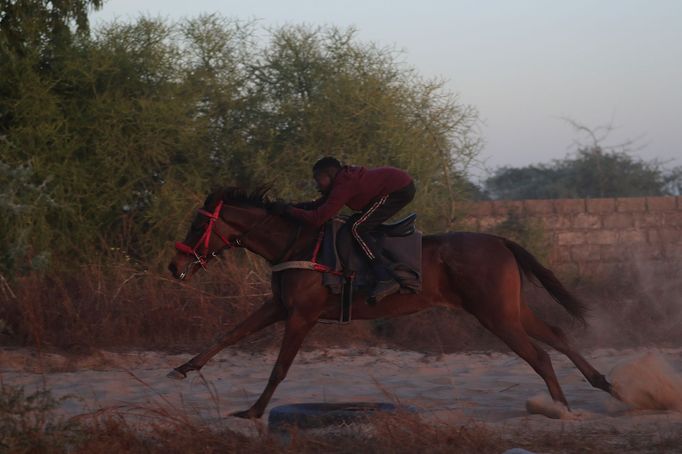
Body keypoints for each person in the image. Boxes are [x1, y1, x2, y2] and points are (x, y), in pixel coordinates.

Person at [273, 157, 416, 303]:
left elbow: (318, 218)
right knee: (356, 224)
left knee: (357, 228)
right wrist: (291, 207)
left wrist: (288, 210)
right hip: (397, 184)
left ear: (329, 173)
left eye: (318, 180)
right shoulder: (341, 180)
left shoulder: (345, 184)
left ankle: (385, 277)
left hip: (399, 189)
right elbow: (319, 205)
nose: (317, 186)